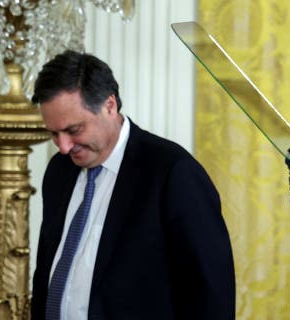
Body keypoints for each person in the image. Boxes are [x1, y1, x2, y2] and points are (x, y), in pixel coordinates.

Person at [30, 50, 235, 319]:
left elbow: (211, 294)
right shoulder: (59, 170)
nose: (64, 146)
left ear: (109, 106)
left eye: (73, 130)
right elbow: (47, 270)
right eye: (54, 134)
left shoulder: (173, 172)